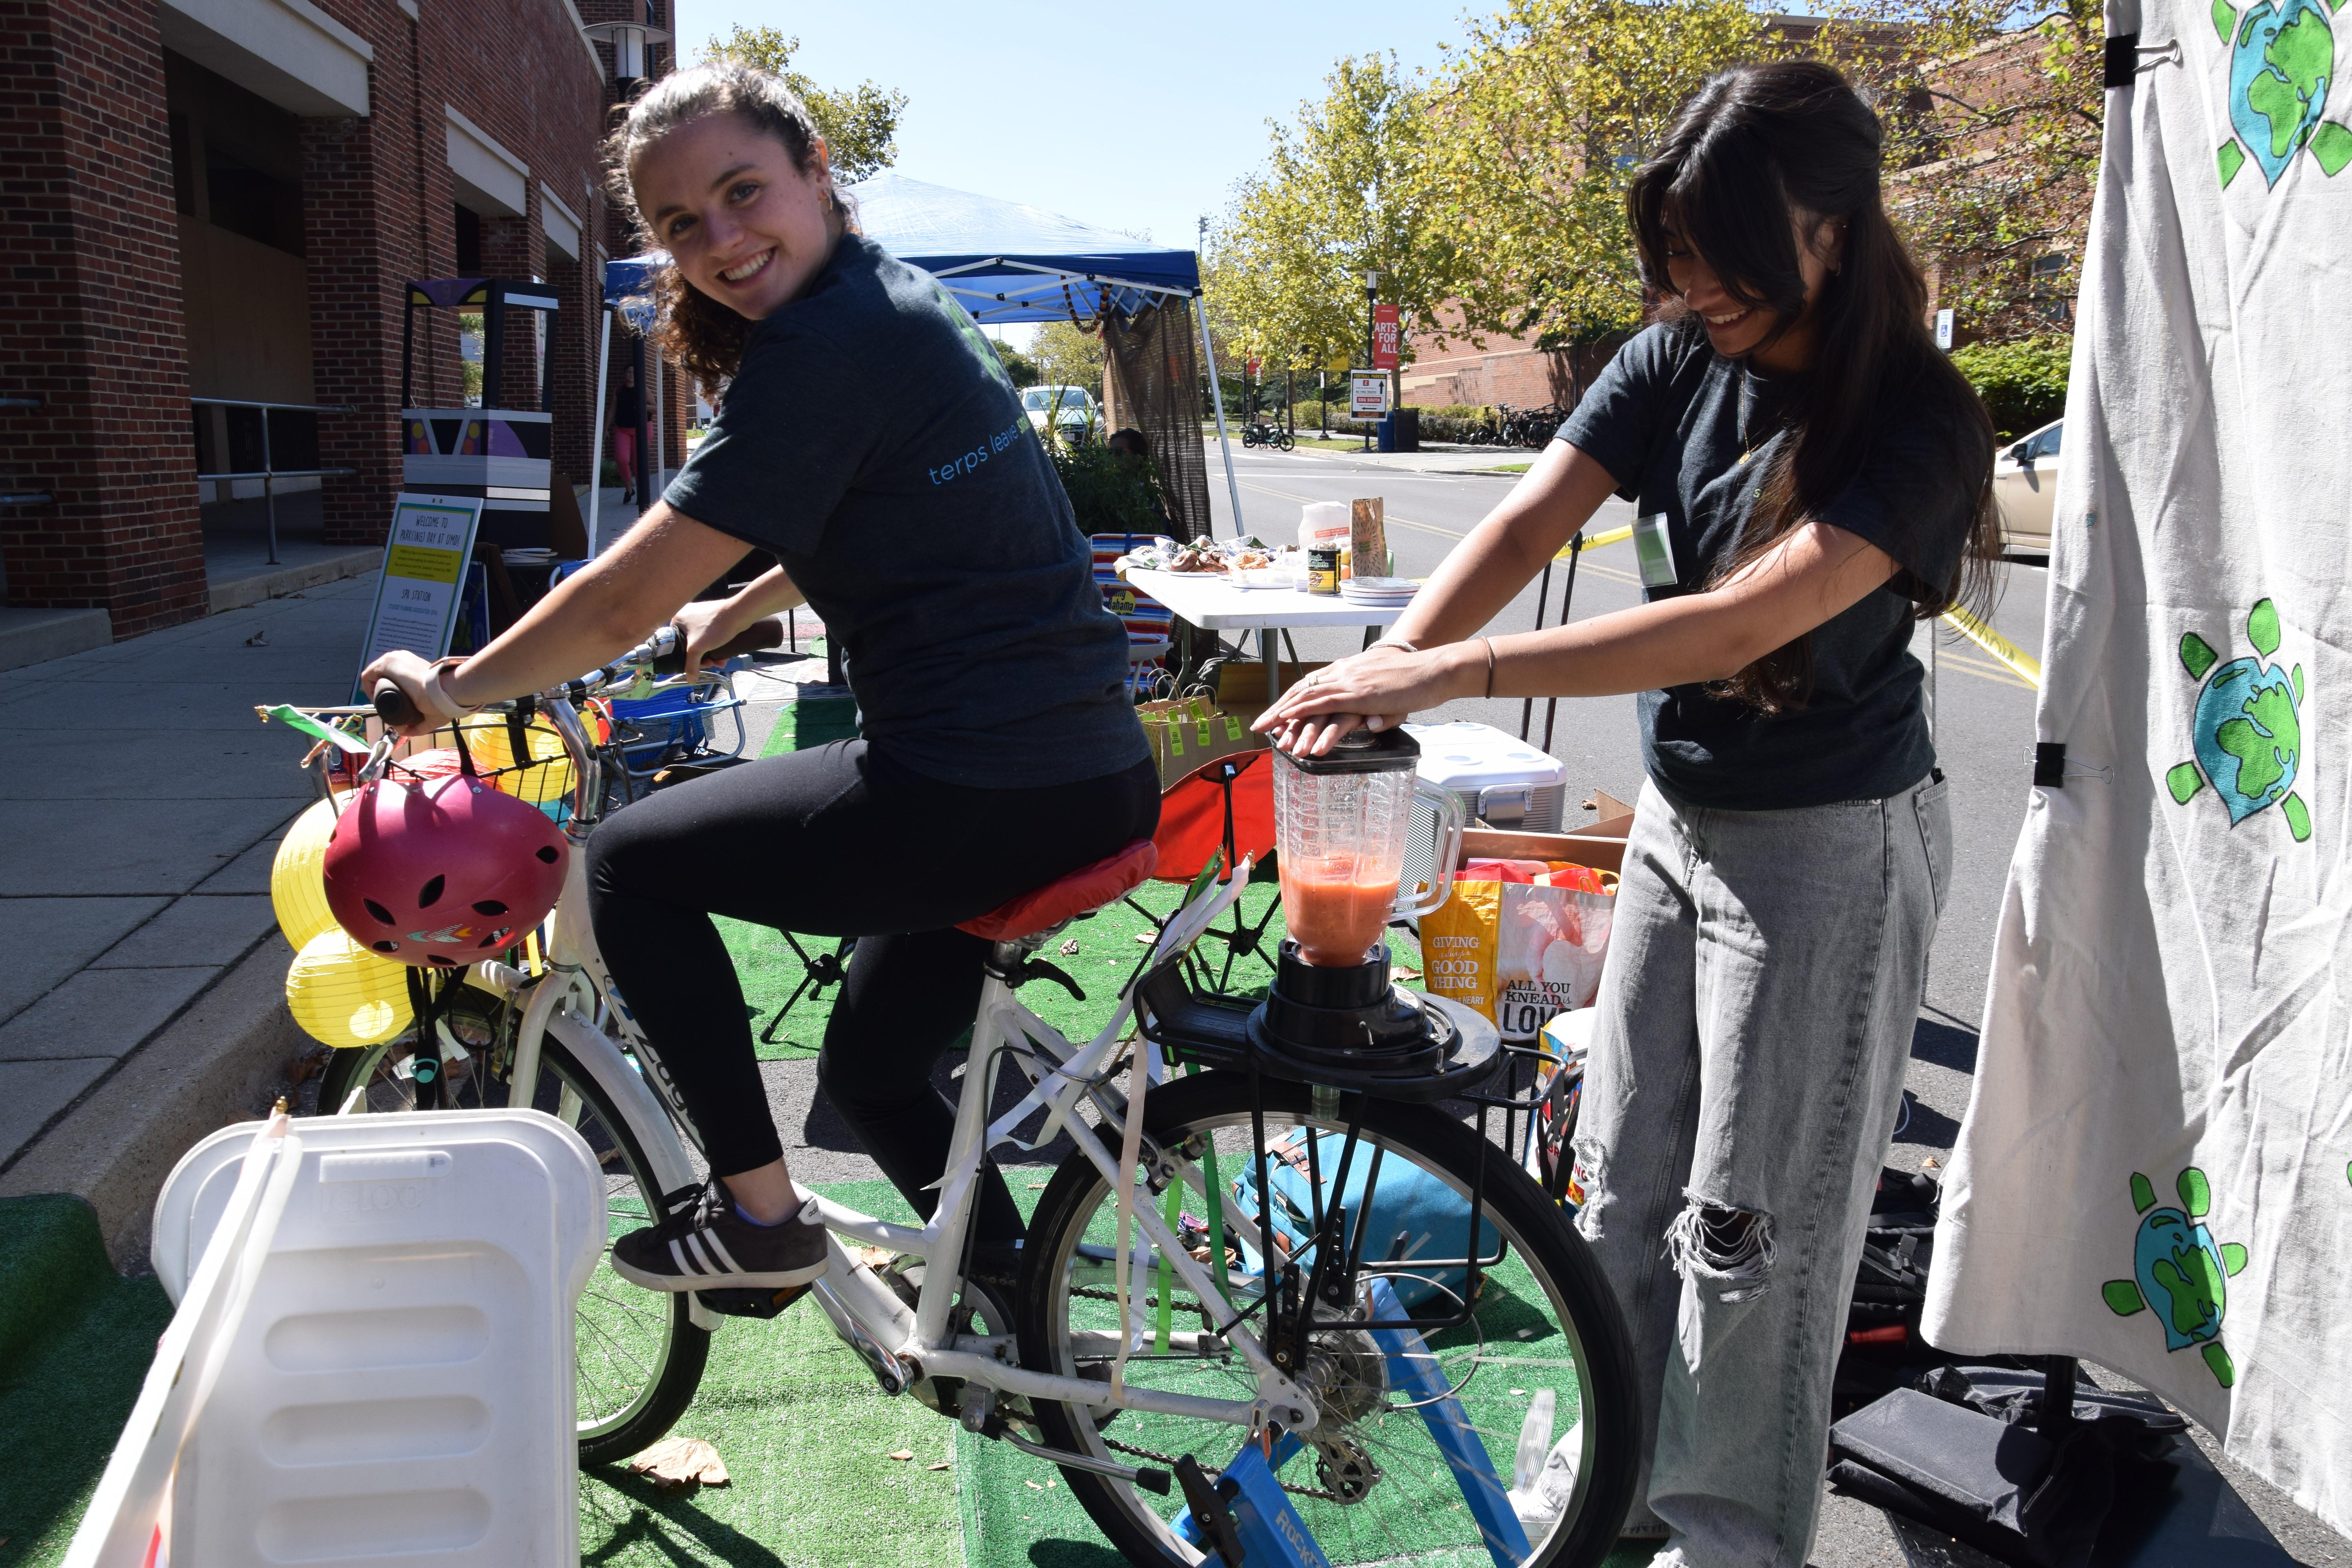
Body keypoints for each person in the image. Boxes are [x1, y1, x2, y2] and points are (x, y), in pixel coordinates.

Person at [1254, 60, 1998, 1568]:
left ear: (1832, 231)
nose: (1694, 288)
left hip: (1828, 853)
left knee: (1750, 1230)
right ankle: (1608, 1497)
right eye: (1673, 254)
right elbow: (1530, 517)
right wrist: (1387, 674)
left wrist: (1451, 666)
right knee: (1620, 1179)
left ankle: (1726, 1538)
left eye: (1724, 255)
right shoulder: (1674, 356)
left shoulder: (1916, 415)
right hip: (1678, 823)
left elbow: (1732, 626)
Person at [363, 62, 1156, 1293]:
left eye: (743, 192)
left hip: (969, 781)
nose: (722, 240)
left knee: (625, 861)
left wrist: (451, 691)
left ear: (814, 168)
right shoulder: (899, 302)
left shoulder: (822, 349)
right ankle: (1009, 1301)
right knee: (876, 1070)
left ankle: (757, 1221)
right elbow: (907, 506)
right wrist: (743, 604)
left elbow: (622, 595)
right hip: (1088, 767)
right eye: (683, 224)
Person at [610, 360, 643, 504]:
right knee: (622, 459)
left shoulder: (643, 390)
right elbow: (612, 410)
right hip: (622, 429)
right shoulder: (619, 390)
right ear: (625, 374)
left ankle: (642, 494)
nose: (631, 375)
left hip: (640, 429)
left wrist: (643, 407)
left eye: (633, 373)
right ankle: (629, 490)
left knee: (639, 462)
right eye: (628, 372)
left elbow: (655, 407)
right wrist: (605, 429)